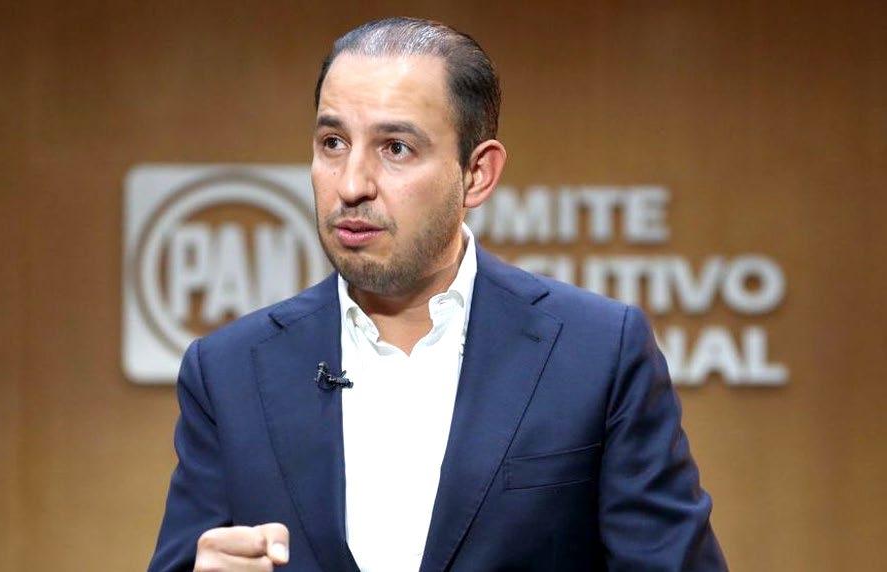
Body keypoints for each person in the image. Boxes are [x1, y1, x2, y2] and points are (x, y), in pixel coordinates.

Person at [149, 17, 727, 572]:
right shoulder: (227, 371)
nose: (351, 184)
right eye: (332, 142)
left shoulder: (598, 353)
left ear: (477, 174)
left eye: (396, 148)